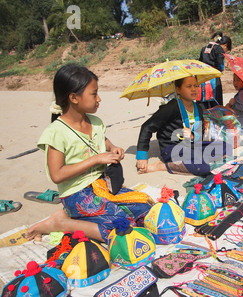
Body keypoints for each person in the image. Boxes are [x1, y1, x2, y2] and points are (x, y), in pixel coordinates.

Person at [25, 64, 152, 243]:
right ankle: (62, 222)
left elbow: (102, 140)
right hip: (76, 194)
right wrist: (95, 159)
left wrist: (112, 147)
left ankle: (77, 220)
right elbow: (57, 174)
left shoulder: (96, 122)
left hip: (101, 187)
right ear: (74, 98)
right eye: (94, 94)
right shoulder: (56, 132)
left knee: (146, 208)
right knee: (122, 228)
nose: (99, 98)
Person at [136, 76, 230, 176]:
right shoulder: (171, 107)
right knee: (203, 168)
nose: (193, 89)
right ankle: (163, 166)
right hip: (172, 147)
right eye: (189, 86)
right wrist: (142, 156)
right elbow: (147, 127)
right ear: (178, 89)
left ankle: (195, 158)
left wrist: (192, 136)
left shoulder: (198, 107)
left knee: (225, 147)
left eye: (195, 86)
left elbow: (200, 133)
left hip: (192, 146)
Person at [198, 31, 232, 108]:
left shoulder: (205, 47)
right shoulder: (219, 49)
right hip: (213, 79)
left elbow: (199, 62)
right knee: (216, 102)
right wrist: (221, 68)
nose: (225, 52)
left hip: (202, 79)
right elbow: (220, 64)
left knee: (203, 101)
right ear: (225, 45)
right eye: (226, 50)